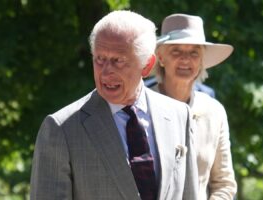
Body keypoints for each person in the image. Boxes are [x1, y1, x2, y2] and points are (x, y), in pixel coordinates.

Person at [30, 10, 198, 200]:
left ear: (147, 65)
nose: (106, 71)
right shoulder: (62, 129)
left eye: (118, 61)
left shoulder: (179, 115)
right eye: (99, 59)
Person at [153, 13, 237, 199]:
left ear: (201, 61)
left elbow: (224, 184)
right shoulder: (140, 105)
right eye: (176, 51)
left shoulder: (214, 112)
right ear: (160, 57)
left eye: (194, 52)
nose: (185, 59)